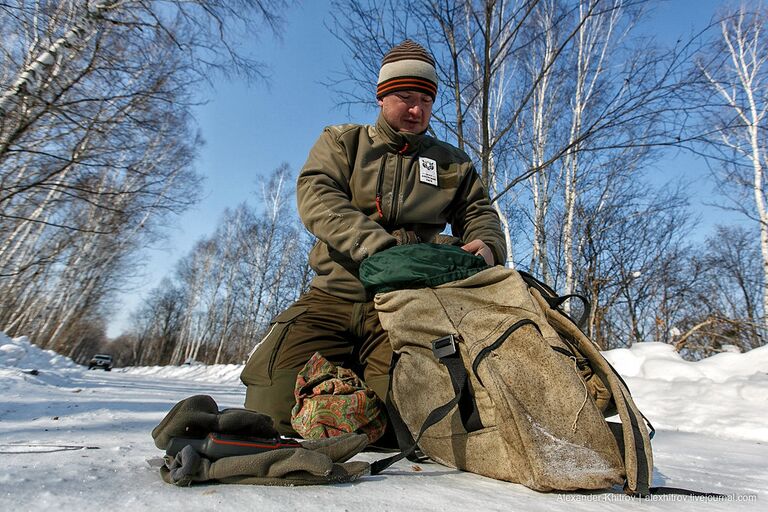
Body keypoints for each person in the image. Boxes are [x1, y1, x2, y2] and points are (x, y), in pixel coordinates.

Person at [240, 40, 506, 436]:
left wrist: (487, 245)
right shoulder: (343, 141)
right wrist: (381, 248)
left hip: (402, 306)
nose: (417, 109)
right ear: (382, 96)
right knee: (270, 407)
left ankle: (357, 388)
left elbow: (479, 212)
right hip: (333, 295)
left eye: (426, 100)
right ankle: (344, 382)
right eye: (405, 96)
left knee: (406, 425)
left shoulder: (453, 163)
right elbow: (317, 193)